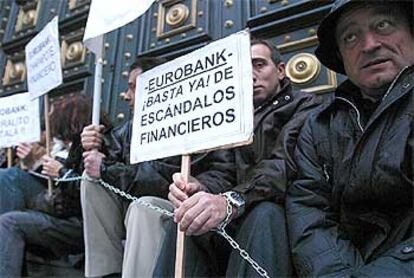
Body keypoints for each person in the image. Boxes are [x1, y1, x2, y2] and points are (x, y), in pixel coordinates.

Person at [137, 39, 323, 277]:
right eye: (243, 69)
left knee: (265, 213)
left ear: (280, 70)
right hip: (235, 213)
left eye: (259, 65)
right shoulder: (232, 115)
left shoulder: (305, 105)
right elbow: (223, 171)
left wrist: (232, 200)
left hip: (278, 216)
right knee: (189, 216)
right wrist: (200, 188)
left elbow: (283, 165)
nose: (251, 75)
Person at [286, 0, 414, 276]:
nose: (369, 45)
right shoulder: (320, 125)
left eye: (383, 25)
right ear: (342, 56)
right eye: (350, 37)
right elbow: (310, 210)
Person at [80, 56, 235, 277]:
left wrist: (199, 185)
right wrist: (88, 147)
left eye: (134, 87)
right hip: (128, 216)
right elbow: (105, 169)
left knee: (144, 207)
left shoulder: (198, 119)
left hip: (177, 210)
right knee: (90, 180)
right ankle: (105, 272)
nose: (126, 96)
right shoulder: (126, 131)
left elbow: (221, 175)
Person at [0, 94, 106, 277]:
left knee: (10, 181)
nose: (50, 121)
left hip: (81, 223)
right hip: (58, 209)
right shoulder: (67, 148)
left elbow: (86, 195)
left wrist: (56, 170)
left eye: (54, 116)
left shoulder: (97, 148)